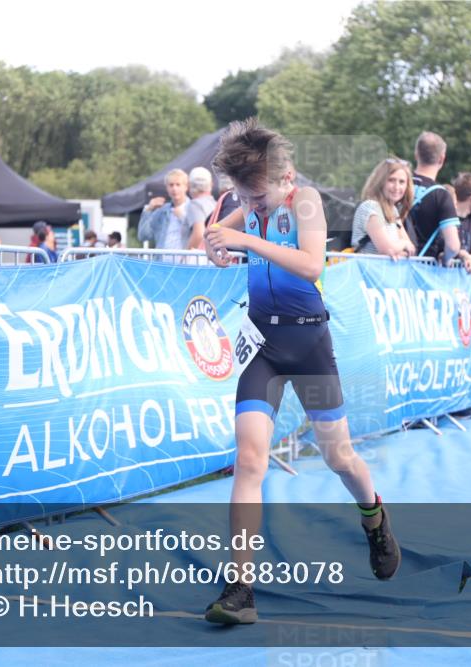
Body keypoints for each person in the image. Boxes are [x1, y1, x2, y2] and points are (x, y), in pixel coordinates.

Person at [201, 119, 400, 625]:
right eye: (243, 196)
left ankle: (374, 516)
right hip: (263, 347)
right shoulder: (250, 203)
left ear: (284, 177)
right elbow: (221, 235)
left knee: (339, 457)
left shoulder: (305, 201)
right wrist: (214, 245)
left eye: (257, 197)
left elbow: (312, 265)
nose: (251, 205)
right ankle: (240, 588)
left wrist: (246, 241)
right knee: (249, 461)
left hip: (309, 344)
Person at [408, 132, 471, 272]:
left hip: (393, 266)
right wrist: (446, 259)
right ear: (442, 159)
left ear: (416, 154)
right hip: (424, 269)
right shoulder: (441, 195)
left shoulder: (399, 185)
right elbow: (453, 245)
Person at [350, 158, 416, 258]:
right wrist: (403, 244)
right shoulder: (370, 207)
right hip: (367, 267)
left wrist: (400, 250)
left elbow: (411, 250)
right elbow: (387, 249)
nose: (397, 187)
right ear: (380, 182)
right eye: (391, 180)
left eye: (402, 182)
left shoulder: (393, 210)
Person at [138, 169, 190, 251]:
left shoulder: (194, 208)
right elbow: (143, 235)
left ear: (186, 187)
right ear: (167, 188)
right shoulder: (162, 211)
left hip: (186, 259)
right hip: (162, 258)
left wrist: (183, 217)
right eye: (171, 185)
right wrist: (148, 209)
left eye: (178, 184)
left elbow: (199, 235)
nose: (174, 188)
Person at [186, 167, 217, 250]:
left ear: (189, 185)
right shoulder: (215, 203)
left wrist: (186, 255)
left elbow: (199, 233)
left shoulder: (195, 205)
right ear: (211, 184)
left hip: (200, 254)